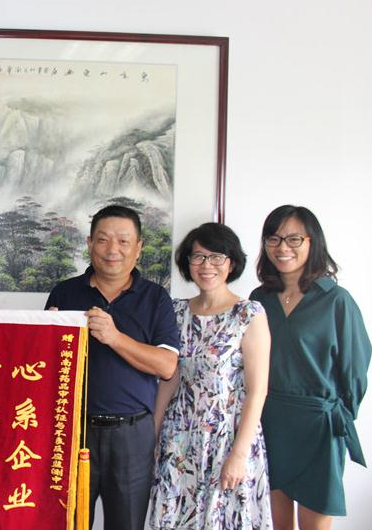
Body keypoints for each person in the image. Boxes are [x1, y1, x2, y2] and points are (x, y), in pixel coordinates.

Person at [45, 204, 180, 530]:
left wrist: (114, 337)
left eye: (123, 241)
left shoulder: (156, 298)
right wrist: (44, 335)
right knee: (67, 522)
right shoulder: (65, 292)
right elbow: (44, 365)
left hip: (133, 434)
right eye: (103, 239)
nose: (112, 250)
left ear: (138, 248)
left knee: (127, 524)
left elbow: (166, 366)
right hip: (73, 431)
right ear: (90, 243)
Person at [250, 205, 371, 530]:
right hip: (269, 421)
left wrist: (336, 414)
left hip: (319, 427)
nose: (282, 248)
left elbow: (355, 372)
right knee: (277, 525)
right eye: (274, 239)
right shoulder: (259, 298)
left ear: (312, 242)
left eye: (293, 239)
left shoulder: (336, 300)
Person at [149, 222, 272, 529]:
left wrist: (239, 455)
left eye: (216, 257)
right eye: (198, 257)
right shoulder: (175, 311)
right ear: (187, 263)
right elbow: (170, 379)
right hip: (179, 437)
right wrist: (153, 434)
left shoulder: (249, 314)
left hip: (227, 437)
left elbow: (257, 391)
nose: (206, 265)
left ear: (231, 263)